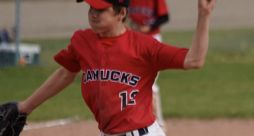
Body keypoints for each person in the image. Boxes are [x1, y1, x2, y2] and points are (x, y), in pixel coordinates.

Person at [17, 0, 216, 136]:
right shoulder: (82, 41)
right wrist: (24, 108)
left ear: (121, 13)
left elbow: (194, 60)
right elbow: (65, 73)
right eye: (91, 8)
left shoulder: (143, 46)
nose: (93, 14)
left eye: (101, 9)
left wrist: (204, 16)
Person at [127, 0, 169, 129]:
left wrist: (149, 26)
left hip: (152, 40)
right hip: (134, 41)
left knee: (150, 84)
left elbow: (164, 17)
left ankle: (159, 123)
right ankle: (142, 120)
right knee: (132, 81)